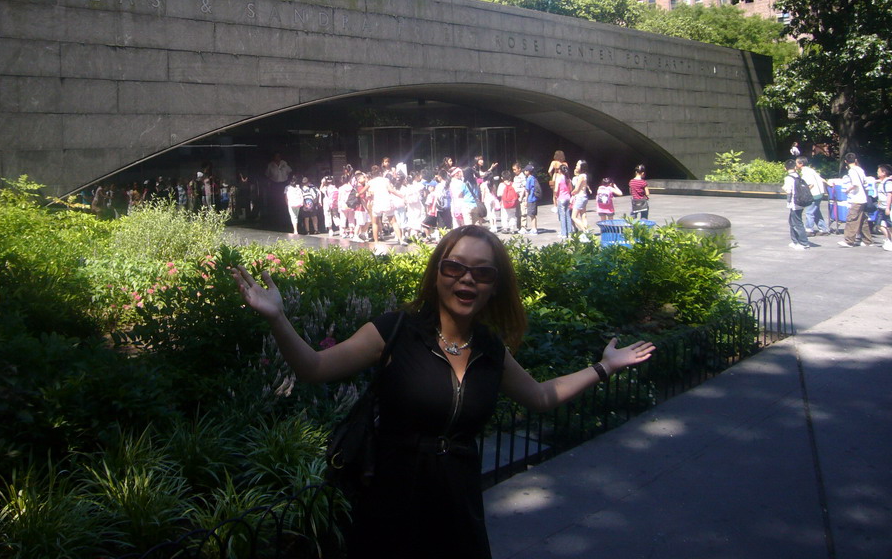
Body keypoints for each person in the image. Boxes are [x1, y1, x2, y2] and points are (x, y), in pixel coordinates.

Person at [230, 225, 655, 559]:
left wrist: (604, 367)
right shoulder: (394, 331)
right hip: (390, 506)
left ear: (493, 286)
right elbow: (314, 368)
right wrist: (277, 318)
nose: (466, 279)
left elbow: (540, 397)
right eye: (455, 268)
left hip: (457, 508)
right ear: (437, 275)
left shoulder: (490, 350)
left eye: (482, 272)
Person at [838, 153, 875, 248]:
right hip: (863, 198)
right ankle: (867, 240)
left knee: (852, 219)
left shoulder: (852, 171)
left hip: (856, 198)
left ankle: (849, 241)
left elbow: (855, 184)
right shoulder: (860, 170)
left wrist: (847, 190)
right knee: (863, 220)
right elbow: (864, 183)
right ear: (855, 160)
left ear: (845, 161)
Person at [782, 159, 811, 250]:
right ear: (795, 167)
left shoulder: (788, 178)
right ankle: (795, 241)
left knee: (797, 223)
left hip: (794, 203)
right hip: (801, 202)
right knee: (792, 221)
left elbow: (788, 190)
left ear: (785, 168)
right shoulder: (798, 176)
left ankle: (803, 242)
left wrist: (784, 188)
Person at [796, 156, 829, 236]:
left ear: (801, 164)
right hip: (819, 193)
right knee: (816, 211)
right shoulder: (810, 170)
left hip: (814, 194)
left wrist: (803, 192)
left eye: (796, 163)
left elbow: (810, 184)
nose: (795, 164)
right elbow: (821, 179)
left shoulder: (806, 172)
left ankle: (809, 230)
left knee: (809, 212)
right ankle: (823, 229)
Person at [874, 164, 892, 251]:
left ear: (884, 172)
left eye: (879, 171)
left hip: (886, 207)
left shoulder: (888, 182)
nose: (877, 172)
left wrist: (888, 208)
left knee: (889, 226)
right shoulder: (883, 181)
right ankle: (888, 238)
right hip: (881, 207)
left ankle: (889, 240)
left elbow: (889, 195)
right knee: (878, 224)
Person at [553, 162, 573, 238]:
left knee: (562, 216)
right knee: (568, 215)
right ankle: (570, 232)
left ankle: (564, 233)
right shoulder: (568, 179)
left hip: (561, 198)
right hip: (568, 198)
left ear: (560, 171)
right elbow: (570, 189)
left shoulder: (559, 178)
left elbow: (556, 189)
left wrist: (555, 195)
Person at [571, 160, 591, 236]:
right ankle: (586, 230)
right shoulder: (585, 175)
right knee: (583, 215)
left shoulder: (581, 176)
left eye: (577, 165)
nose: (576, 167)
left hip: (580, 197)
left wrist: (572, 193)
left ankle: (585, 230)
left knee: (574, 217)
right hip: (584, 196)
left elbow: (577, 189)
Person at [523, 164, 540, 234]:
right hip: (534, 198)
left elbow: (527, 190)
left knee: (532, 215)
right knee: (533, 214)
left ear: (528, 171)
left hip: (531, 198)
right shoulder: (533, 178)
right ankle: (534, 228)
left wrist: (525, 200)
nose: (524, 172)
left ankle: (534, 229)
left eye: (525, 171)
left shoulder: (529, 179)